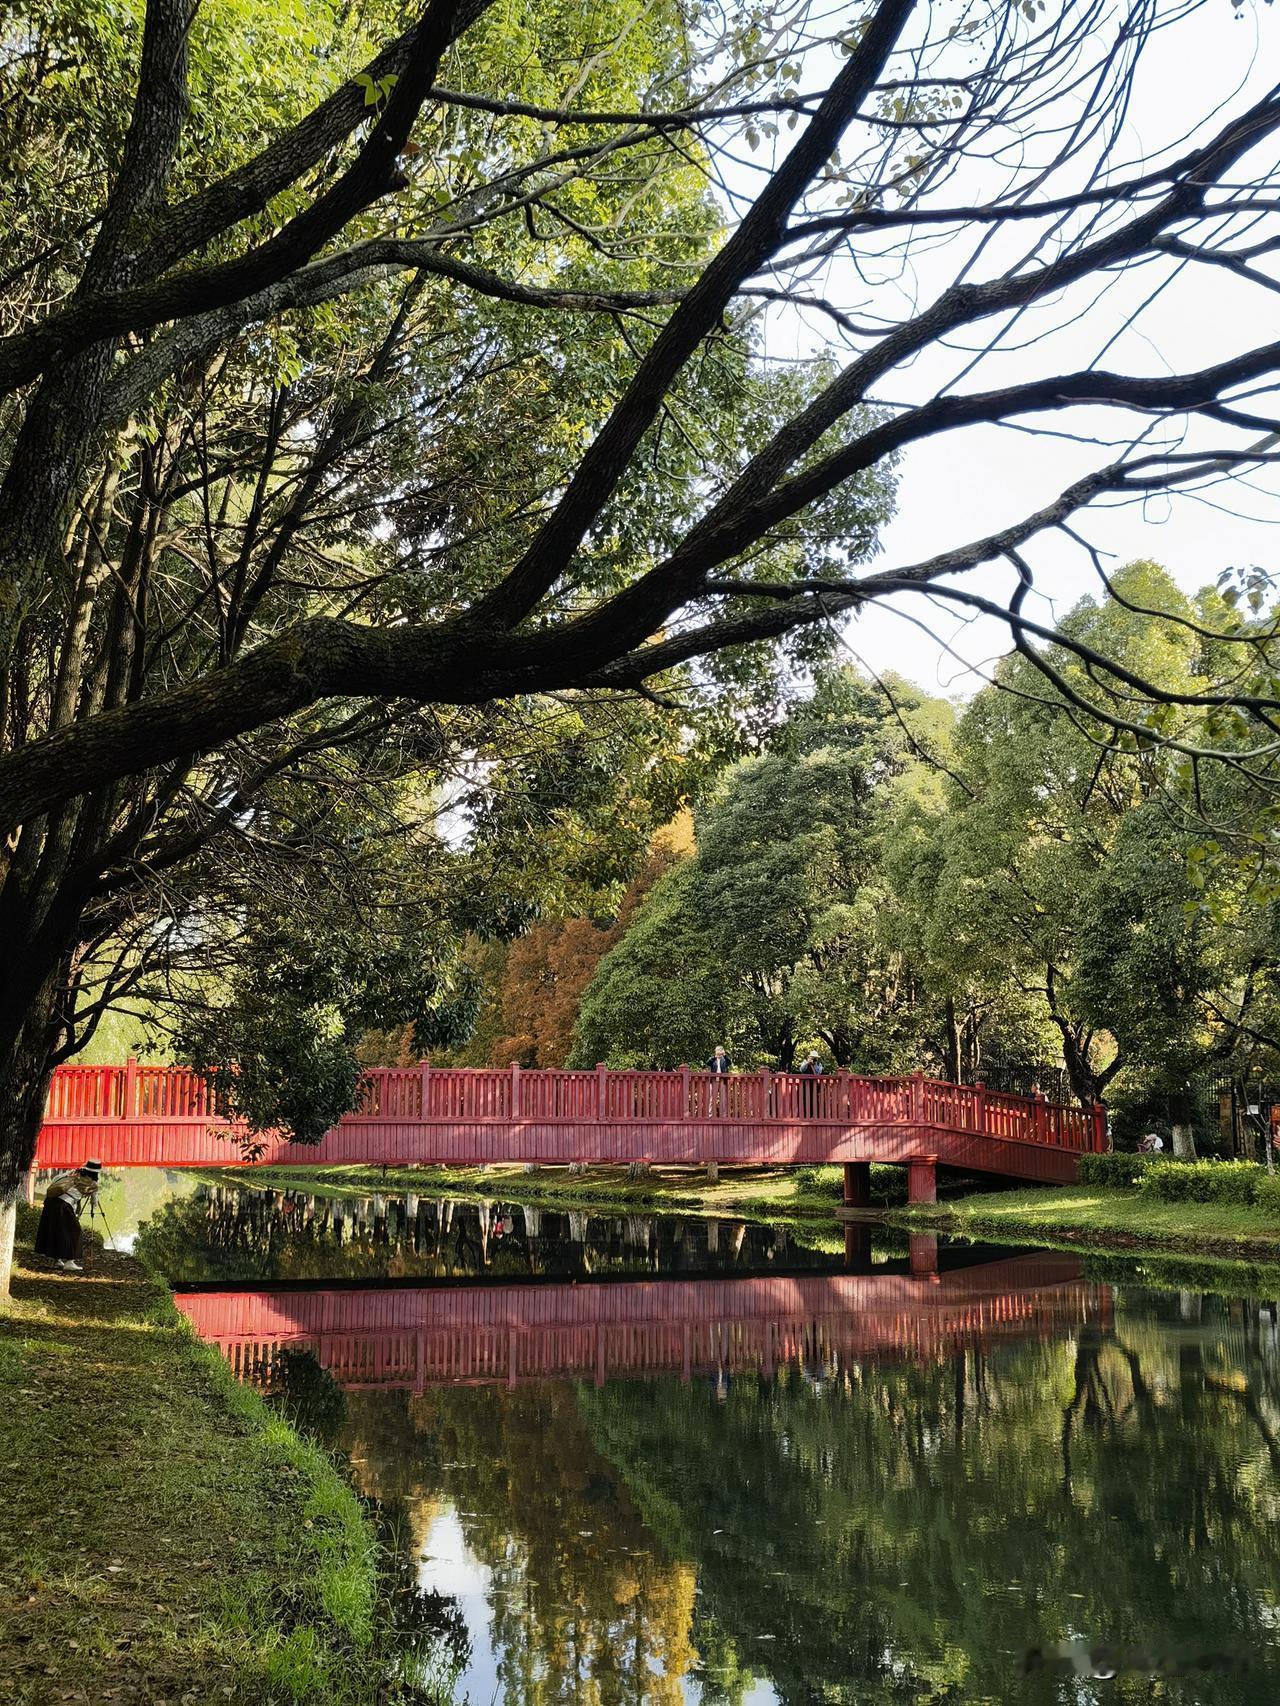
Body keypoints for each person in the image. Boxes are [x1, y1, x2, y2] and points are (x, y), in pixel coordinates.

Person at [34, 1160, 102, 1271]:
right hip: (63, 1206)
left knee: (55, 1230)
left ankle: (57, 1260)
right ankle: (70, 1262)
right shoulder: (92, 1184)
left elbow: (55, 1180)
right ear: (97, 1173)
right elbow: (94, 1203)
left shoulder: (73, 1173)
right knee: (75, 1231)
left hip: (50, 1202)